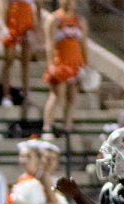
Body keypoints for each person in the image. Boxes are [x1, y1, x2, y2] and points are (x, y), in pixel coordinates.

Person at [41, 0, 87, 137]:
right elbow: (49, 43)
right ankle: (47, 128)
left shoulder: (80, 21)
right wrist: (50, 64)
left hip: (75, 62)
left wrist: (86, 64)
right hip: (60, 61)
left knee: (72, 96)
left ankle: (68, 127)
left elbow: (83, 44)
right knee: (56, 96)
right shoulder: (53, 19)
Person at [0, 0, 40, 108]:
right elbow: (2, 6)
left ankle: (26, 95)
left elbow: (38, 6)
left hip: (27, 26)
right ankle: (6, 95)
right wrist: (4, 29)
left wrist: (36, 27)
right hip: (11, 26)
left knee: (26, 62)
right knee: (9, 60)